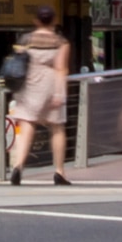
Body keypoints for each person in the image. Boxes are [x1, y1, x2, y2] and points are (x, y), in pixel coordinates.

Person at [11, 12, 75, 183]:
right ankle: (59, 171)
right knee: (57, 127)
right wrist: (59, 93)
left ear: (36, 20)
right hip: (51, 84)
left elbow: (17, 62)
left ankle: (18, 165)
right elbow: (61, 68)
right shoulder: (60, 42)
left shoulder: (25, 39)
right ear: (54, 20)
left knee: (27, 124)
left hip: (29, 84)